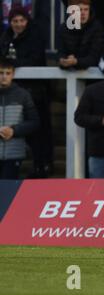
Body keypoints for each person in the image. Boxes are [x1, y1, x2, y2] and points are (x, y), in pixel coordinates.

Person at [0, 7, 52, 178]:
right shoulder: (6, 36)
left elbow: (36, 59)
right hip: (11, 91)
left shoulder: (35, 36)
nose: (18, 24)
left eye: (22, 20)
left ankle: (41, 167)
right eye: (15, 21)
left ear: (27, 21)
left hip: (34, 92)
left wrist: (14, 62)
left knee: (38, 134)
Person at [0, 57, 39, 179]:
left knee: (8, 195)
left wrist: (14, 130)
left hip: (14, 154)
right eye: (1, 73)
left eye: (8, 73)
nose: (4, 76)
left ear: (13, 74)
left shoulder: (23, 95)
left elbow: (34, 122)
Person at [57, 0, 104, 70]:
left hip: (93, 75)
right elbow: (60, 53)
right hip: (69, 74)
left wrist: (76, 61)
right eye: (79, 10)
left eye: (86, 9)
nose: (83, 13)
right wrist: (63, 60)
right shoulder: (63, 29)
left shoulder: (97, 28)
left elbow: (95, 57)